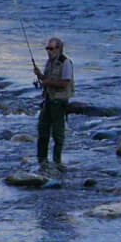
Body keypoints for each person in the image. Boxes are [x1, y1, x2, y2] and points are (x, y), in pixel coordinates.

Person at [33, 36, 74, 168]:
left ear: (59, 49)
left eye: (51, 48)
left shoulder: (66, 62)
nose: (48, 51)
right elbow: (47, 80)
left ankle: (57, 161)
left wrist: (47, 82)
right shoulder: (49, 62)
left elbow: (64, 83)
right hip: (48, 100)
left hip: (59, 102)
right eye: (47, 48)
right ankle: (42, 160)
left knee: (58, 134)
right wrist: (40, 76)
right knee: (42, 130)